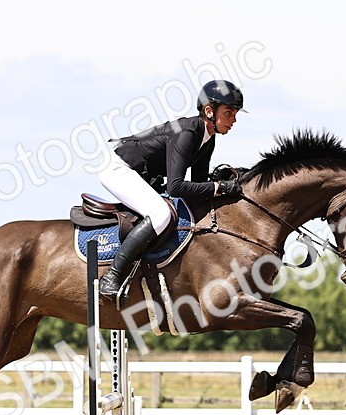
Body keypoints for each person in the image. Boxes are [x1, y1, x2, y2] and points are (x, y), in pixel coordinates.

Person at [96, 79, 246, 300]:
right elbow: (176, 187)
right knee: (160, 214)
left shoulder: (208, 139)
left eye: (235, 114)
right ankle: (111, 277)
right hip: (118, 167)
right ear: (209, 111)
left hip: (141, 173)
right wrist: (220, 187)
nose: (233, 120)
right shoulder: (187, 133)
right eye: (229, 113)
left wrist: (220, 184)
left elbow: (198, 185)